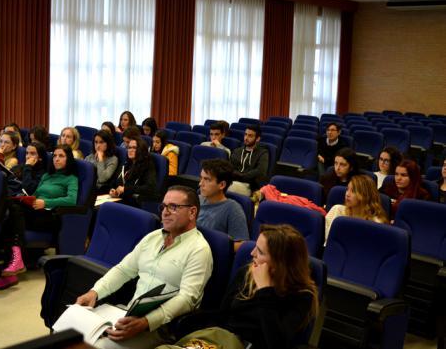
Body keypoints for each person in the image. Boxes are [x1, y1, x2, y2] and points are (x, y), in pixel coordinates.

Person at [75, 186, 213, 349]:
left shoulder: (199, 250)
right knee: (71, 335)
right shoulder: (153, 237)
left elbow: (187, 299)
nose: (165, 212)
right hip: (129, 314)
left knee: (96, 346)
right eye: (163, 206)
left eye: (173, 207)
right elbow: (124, 270)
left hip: (160, 329)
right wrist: (95, 292)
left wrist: (146, 322)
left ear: (192, 212)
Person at [156, 224, 318, 349]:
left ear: (280, 262)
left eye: (260, 252)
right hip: (220, 338)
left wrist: (265, 291)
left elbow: (276, 343)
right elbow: (224, 314)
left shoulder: (302, 295)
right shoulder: (246, 274)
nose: (252, 253)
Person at [0, 144, 79, 289]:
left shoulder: (71, 179)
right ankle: (12, 266)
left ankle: (13, 265)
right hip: (35, 212)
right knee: (9, 215)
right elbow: (36, 194)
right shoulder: (47, 175)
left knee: (13, 212)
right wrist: (29, 200)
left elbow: (72, 200)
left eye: (61, 156)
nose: (56, 159)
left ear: (68, 159)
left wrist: (46, 202)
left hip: (50, 216)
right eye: (55, 156)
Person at [324, 175, 388, 243]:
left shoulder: (376, 223)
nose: (347, 194)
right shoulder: (337, 210)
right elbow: (327, 242)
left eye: (353, 191)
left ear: (365, 195)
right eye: (347, 189)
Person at [197, 159, 249, 243]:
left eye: (207, 179)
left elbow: (242, 244)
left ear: (221, 185)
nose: (200, 184)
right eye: (201, 178)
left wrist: (217, 245)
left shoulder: (233, 209)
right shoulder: (197, 199)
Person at [110, 138, 157, 208]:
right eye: (129, 147)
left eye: (134, 148)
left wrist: (125, 189)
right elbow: (116, 182)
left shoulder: (148, 165)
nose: (130, 150)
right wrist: (113, 190)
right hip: (121, 199)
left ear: (141, 149)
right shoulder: (127, 164)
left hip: (134, 203)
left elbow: (149, 188)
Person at [228, 125, 269, 196]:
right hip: (233, 181)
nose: (246, 138)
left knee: (228, 188)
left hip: (250, 186)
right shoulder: (237, 151)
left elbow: (260, 171)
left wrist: (240, 176)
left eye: (250, 136)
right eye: (245, 134)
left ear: (257, 139)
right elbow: (229, 167)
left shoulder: (263, 153)